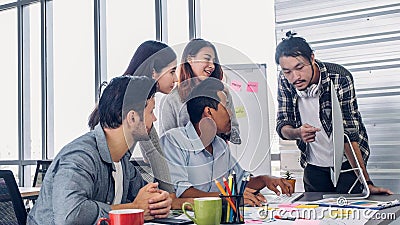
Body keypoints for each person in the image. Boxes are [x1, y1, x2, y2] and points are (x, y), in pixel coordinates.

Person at [28, 76, 172, 225]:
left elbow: (147, 197)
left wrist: (159, 202)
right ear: (132, 118)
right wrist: (134, 208)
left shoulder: (122, 161)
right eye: (151, 112)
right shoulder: (80, 157)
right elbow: (69, 216)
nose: (154, 119)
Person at [275, 31, 392, 194]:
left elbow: (349, 133)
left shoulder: (339, 77)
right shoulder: (284, 81)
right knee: (317, 215)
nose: (295, 77)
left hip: (348, 163)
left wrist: (366, 183)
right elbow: (282, 125)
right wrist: (297, 133)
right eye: (287, 71)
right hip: (313, 164)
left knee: (349, 215)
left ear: (312, 58)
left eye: (299, 67)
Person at [160, 78, 293, 206]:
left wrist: (265, 179)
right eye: (225, 106)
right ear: (209, 112)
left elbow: (241, 182)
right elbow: (181, 193)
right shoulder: (174, 142)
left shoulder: (220, 145)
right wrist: (227, 198)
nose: (230, 113)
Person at [88, 40, 177, 193]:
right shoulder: (134, 105)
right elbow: (153, 155)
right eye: (172, 71)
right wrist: (170, 195)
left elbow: (154, 154)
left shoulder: (139, 101)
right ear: (154, 71)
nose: (176, 79)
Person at [159, 38, 241, 144]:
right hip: (185, 160)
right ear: (190, 59)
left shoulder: (222, 92)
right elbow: (166, 143)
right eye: (207, 58)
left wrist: (223, 127)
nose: (212, 65)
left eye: (214, 61)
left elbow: (236, 137)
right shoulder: (171, 100)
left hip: (219, 158)